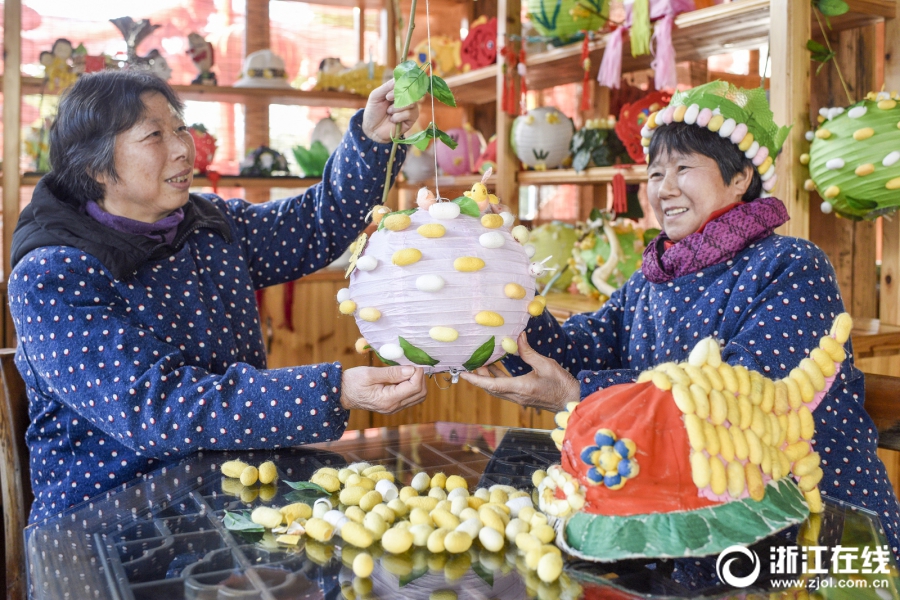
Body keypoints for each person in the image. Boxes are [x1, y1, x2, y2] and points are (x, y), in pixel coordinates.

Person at [462, 81, 900, 558]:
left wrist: (579, 395)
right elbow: (576, 349)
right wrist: (505, 270)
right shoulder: (655, 276)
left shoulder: (791, 264)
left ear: (740, 178)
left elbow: (737, 394)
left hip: (817, 529)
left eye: (683, 168)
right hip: (690, 524)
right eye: (654, 174)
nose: (663, 189)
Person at [8, 70, 423, 522]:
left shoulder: (208, 225)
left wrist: (372, 141)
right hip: (105, 529)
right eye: (154, 135)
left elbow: (316, 223)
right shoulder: (52, 275)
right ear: (94, 166)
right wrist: (331, 390)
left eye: (180, 127)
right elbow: (159, 407)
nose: (183, 148)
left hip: (230, 501)